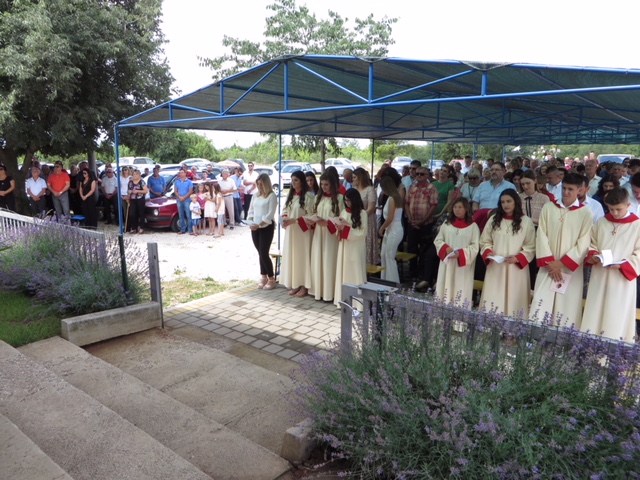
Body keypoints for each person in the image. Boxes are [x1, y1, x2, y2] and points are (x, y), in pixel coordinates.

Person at [529, 173, 593, 327]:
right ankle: (536, 335)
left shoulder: (586, 213)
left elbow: (584, 243)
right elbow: (541, 235)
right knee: (541, 302)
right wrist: (550, 263)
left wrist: (561, 263)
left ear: (579, 190)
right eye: (564, 188)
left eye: (570, 189)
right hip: (548, 267)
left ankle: (563, 337)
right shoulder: (549, 208)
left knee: (566, 306)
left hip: (569, 268)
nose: (566, 192)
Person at [582, 188, 640, 343]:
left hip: (621, 279)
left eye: (618, 209)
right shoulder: (602, 222)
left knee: (616, 312)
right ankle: (589, 346)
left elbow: (639, 253)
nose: (614, 213)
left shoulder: (637, 225)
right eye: (611, 209)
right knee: (596, 308)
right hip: (600, 275)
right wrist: (594, 255)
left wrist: (622, 265)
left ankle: (614, 348)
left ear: (628, 205)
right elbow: (592, 243)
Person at [479, 189, 536, 318]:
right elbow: (485, 240)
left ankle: (514, 327)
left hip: (516, 268)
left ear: (516, 202)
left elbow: (531, 246)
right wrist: (489, 252)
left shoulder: (526, 221)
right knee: (494, 296)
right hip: (496, 266)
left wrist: (518, 258)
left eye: (509, 201)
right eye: (503, 202)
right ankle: (491, 324)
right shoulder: (494, 219)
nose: (506, 205)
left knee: (514, 299)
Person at [433, 198, 480, 306]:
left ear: (466, 209)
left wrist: (461, 253)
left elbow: (475, 247)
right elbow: (438, 240)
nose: (457, 210)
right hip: (447, 262)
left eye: (460, 207)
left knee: (460, 289)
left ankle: (459, 315)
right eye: (455, 207)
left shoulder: (473, 227)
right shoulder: (447, 224)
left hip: (462, 266)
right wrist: (445, 248)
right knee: (445, 288)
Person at [309, 172, 343, 301]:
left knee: (329, 261)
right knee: (318, 259)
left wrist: (328, 223)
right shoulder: (319, 197)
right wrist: (312, 219)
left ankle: (329, 293)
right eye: (322, 184)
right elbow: (314, 212)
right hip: (319, 233)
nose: (323, 187)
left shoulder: (339, 198)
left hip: (331, 235)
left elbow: (342, 219)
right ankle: (319, 291)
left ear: (333, 184)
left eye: (326, 184)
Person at [280, 171, 314, 298]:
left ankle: (304, 285)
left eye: (296, 180)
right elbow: (285, 209)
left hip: (303, 232)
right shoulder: (291, 195)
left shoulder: (309, 197)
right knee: (294, 258)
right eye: (292, 180)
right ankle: (296, 283)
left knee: (302, 258)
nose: (293, 183)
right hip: (291, 232)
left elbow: (311, 215)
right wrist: (284, 218)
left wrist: (295, 220)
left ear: (302, 181)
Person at [405, 166, 439, 287]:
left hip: (426, 224)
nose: (419, 176)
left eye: (422, 174)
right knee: (411, 248)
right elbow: (406, 203)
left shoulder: (432, 188)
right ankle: (412, 272)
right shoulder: (412, 187)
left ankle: (423, 274)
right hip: (412, 223)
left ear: (427, 176)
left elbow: (433, 206)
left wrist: (422, 221)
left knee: (424, 250)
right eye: (417, 173)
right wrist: (410, 219)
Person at [333, 188, 368, 306]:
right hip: (344, 246)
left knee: (355, 271)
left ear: (355, 200)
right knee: (344, 271)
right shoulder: (344, 211)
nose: (347, 203)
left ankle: (358, 303)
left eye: (349, 200)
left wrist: (347, 228)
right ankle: (344, 300)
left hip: (356, 247)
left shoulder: (363, 213)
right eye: (345, 200)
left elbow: (362, 232)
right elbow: (340, 227)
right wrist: (338, 228)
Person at [247, 173, 278, 290]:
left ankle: (271, 278)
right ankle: (263, 276)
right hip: (255, 227)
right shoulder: (255, 195)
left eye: (261, 184)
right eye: (258, 184)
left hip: (266, 227)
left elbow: (270, 214)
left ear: (266, 184)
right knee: (260, 252)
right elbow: (251, 210)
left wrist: (259, 224)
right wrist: (250, 221)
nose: (259, 186)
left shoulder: (272, 196)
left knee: (264, 252)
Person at [472, 162, 516, 231]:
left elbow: (513, 205)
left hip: (500, 219)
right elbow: (475, 202)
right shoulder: (482, 185)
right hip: (482, 219)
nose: (494, 172)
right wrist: (477, 214)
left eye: (496, 170)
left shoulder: (510, 186)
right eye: (492, 170)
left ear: (504, 171)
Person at [378, 176, 404, 283]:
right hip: (391, 229)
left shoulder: (392, 199)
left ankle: (393, 282)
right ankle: (385, 280)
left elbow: (390, 218)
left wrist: (381, 228)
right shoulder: (394, 197)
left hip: (394, 230)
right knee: (384, 255)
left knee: (389, 256)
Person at [353, 167, 379, 265]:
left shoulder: (370, 190)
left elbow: (371, 208)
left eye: (355, 177)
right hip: (356, 220)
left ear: (360, 177)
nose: (353, 179)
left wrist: (361, 216)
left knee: (366, 243)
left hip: (367, 220)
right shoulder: (354, 190)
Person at [127, 169, 148, 234]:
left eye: (136, 174)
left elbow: (146, 191)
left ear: (139, 175)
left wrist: (138, 191)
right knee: (132, 214)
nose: (135, 175)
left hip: (140, 199)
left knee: (141, 213)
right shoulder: (130, 182)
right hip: (133, 199)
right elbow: (128, 190)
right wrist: (129, 192)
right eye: (134, 174)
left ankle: (142, 228)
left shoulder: (142, 182)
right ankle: (134, 228)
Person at [173, 169, 194, 235]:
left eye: (182, 172)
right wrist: (180, 197)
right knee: (181, 215)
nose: (181, 174)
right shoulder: (177, 182)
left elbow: (190, 191)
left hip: (187, 200)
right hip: (179, 200)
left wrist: (184, 197)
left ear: (185, 173)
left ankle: (190, 230)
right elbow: (175, 191)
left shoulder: (189, 182)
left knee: (188, 215)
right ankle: (182, 229)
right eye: (180, 173)